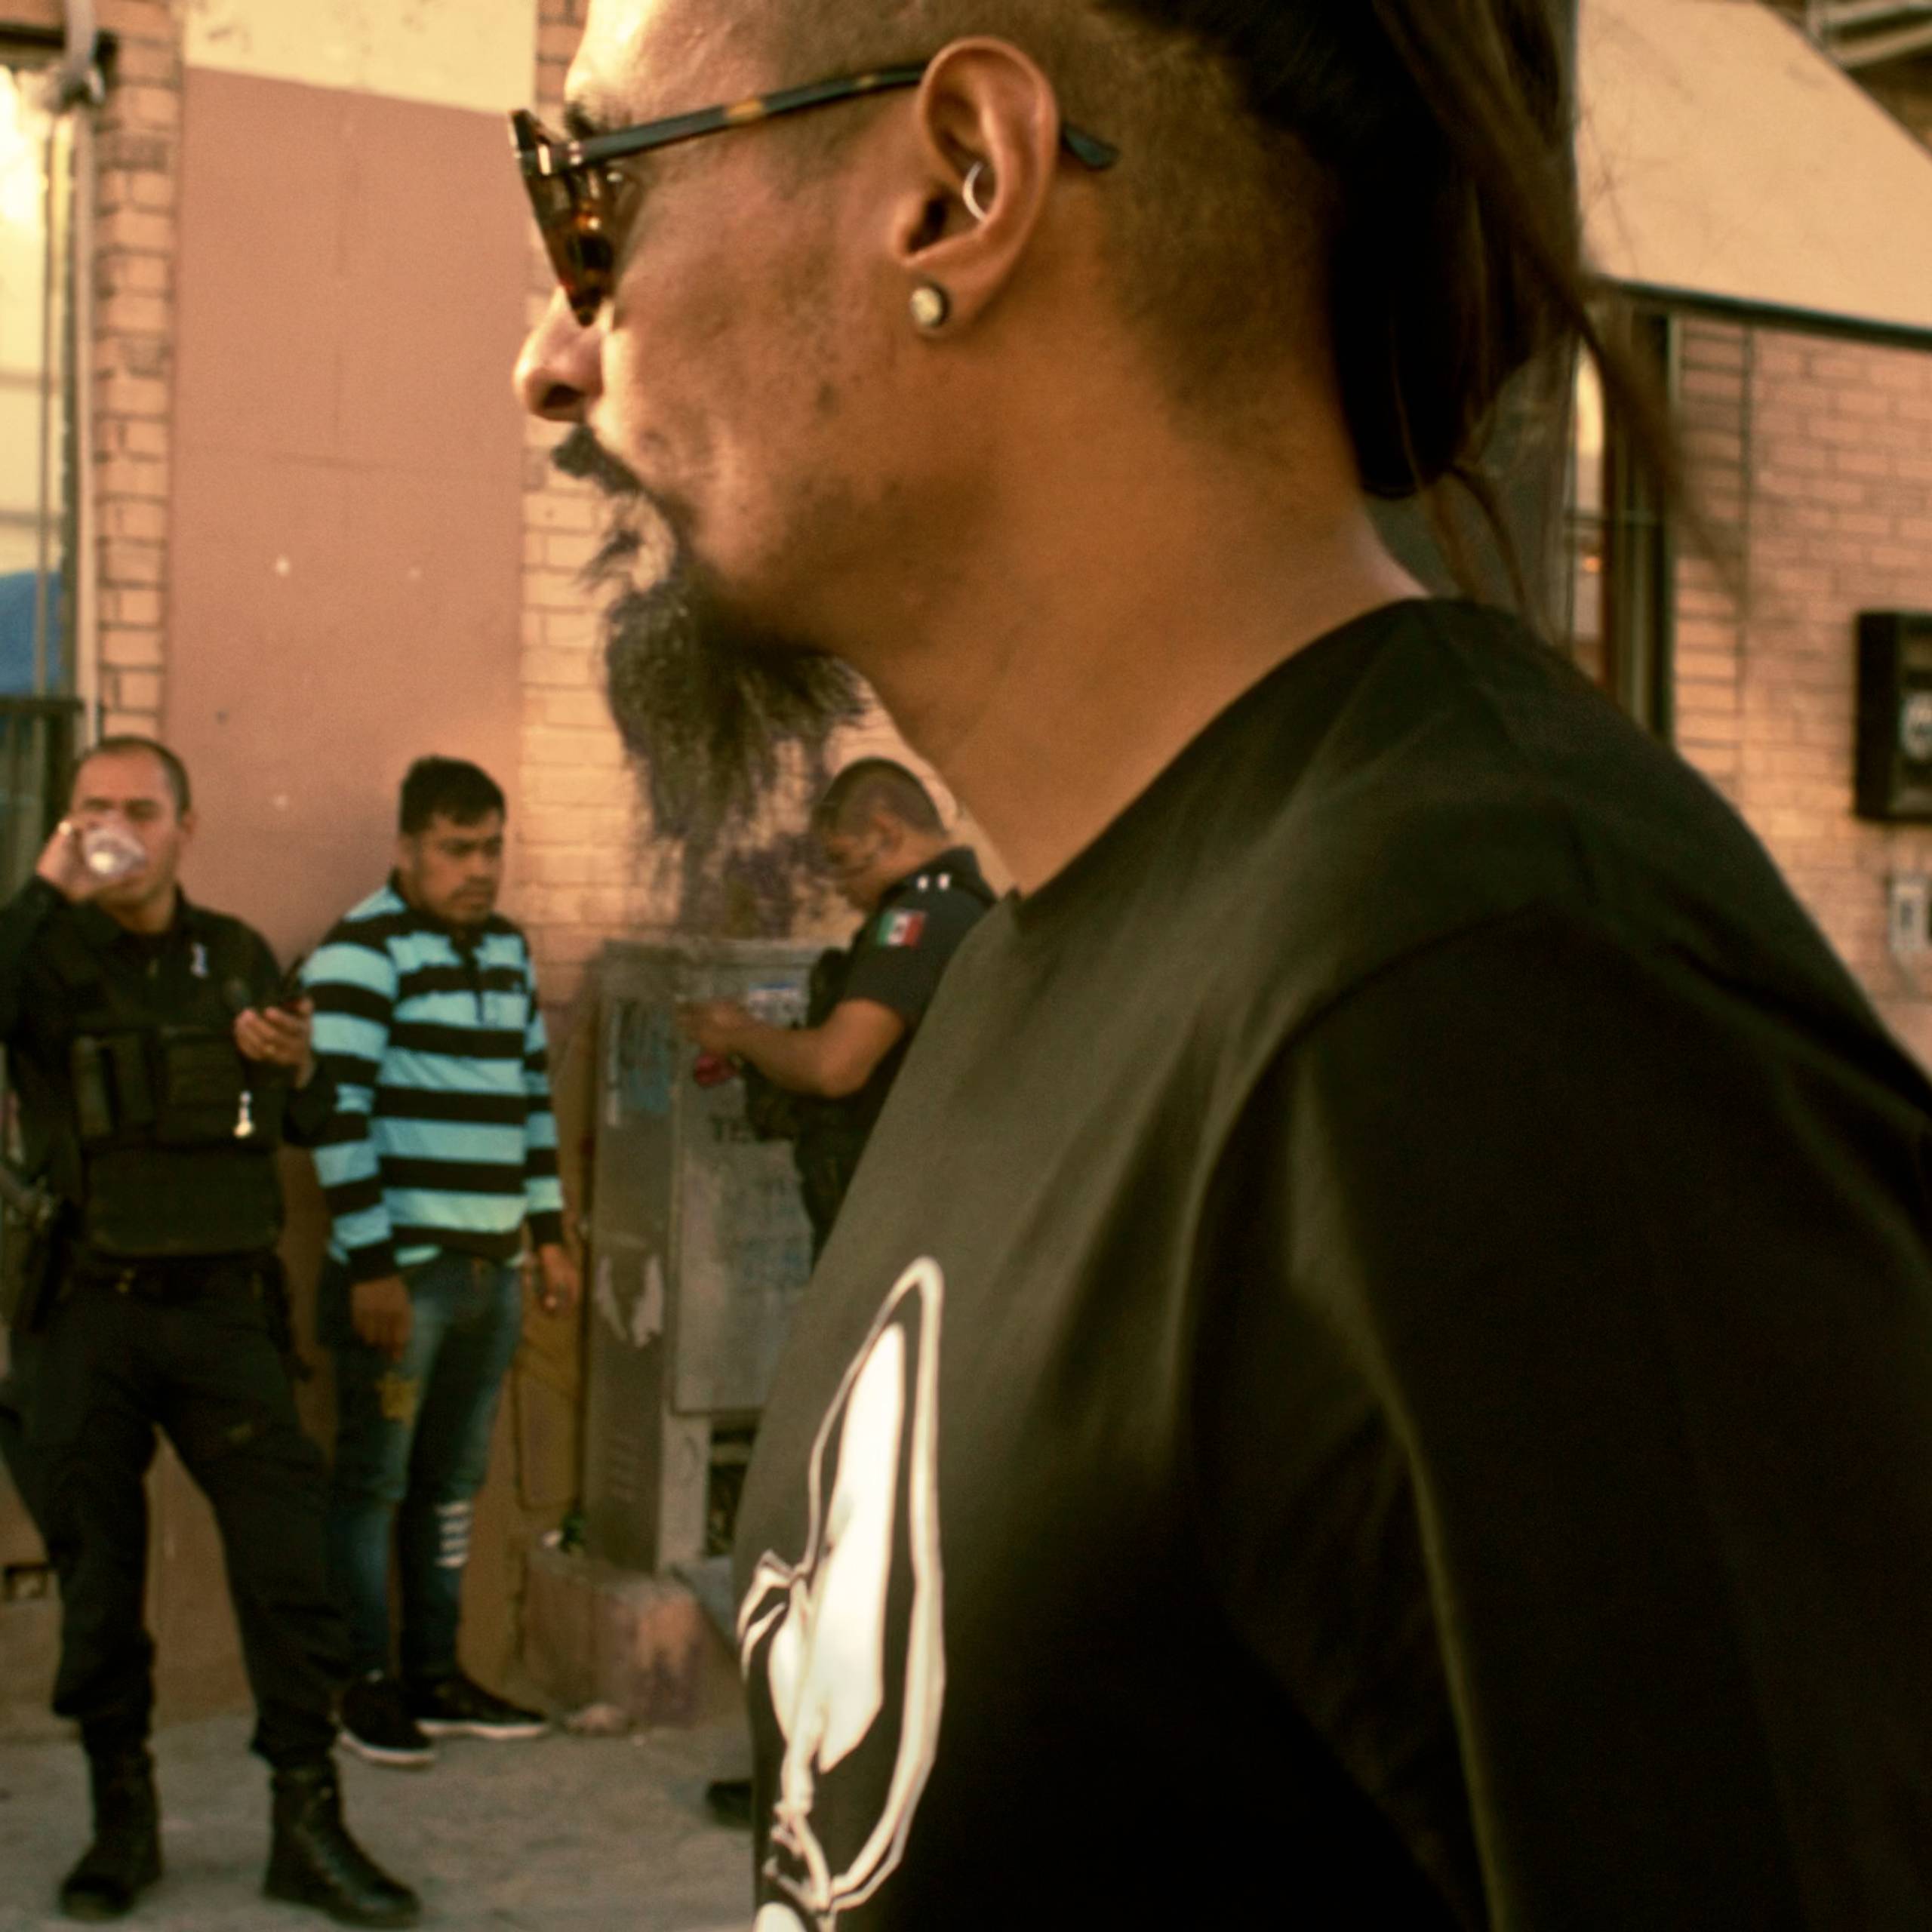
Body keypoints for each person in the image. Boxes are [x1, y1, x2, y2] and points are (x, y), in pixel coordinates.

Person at [513, 3, 1932, 1926]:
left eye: (589, 201)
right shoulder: (1053, 946)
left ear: (960, 187)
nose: (550, 359)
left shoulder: (1488, 996)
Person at [0, 737, 418, 1927]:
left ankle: (307, 1819)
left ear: (187, 828)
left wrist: (295, 1067)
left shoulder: (233, 954)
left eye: (140, 810)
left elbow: (298, 1120)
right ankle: (120, 1822)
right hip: (86, 1314)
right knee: (99, 1582)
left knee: (288, 1568)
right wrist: (45, 888)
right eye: (91, 810)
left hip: (223, 1315)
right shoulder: (41, 952)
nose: (114, 830)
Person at [305, 757, 580, 1771]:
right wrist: (372, 1267)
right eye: (457, 850)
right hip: (402, 1279)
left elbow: (530, 1099)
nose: (480, 870)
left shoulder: (507, 950)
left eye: (492, 848)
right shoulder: (360, 950)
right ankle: (363, 1685)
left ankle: (435, 1674)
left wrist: (547, 1234)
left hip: (489, 1273)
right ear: (407, 849)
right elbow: (332, 1114)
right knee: (373, 1481)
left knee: (452, 1482)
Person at [679, 758, 994, 1257]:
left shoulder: (919, 918)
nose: (842, 886)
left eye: (842, 859)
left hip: (900, 1234)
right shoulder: (955, 909)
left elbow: (836, 1067)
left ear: (886, 832)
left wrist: (738, 1034)